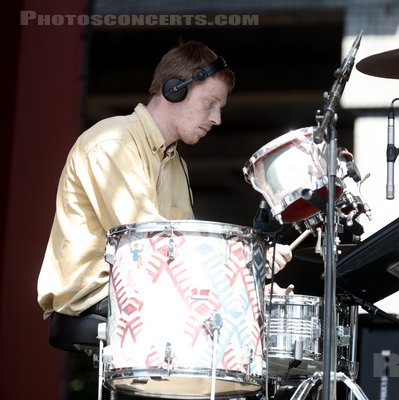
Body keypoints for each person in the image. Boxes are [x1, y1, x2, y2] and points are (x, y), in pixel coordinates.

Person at [37, 40, 292, 321]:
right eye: (210, 104)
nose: (217, 118)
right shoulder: (113, 142)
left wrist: (247, 282)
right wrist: (243, 263)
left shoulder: (175, 164)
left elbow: (182, 254)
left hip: (144, 286)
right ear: (174, 91)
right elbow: (148, 244)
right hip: (98, 294)